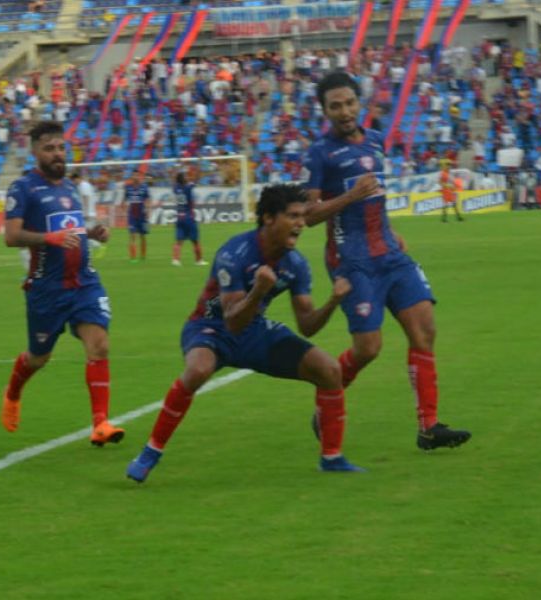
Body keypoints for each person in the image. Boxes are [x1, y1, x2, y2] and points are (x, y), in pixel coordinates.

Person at [126, 184, 363, 483]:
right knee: (198, 369)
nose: (302, 223)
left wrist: (333, 301)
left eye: (302, 216)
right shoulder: (234, 252)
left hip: (253, 331)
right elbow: (231, 321)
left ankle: (332, 458)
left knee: (329, 370)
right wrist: (259, 292)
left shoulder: (296, 264)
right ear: (268, 218)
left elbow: (307, 325)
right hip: (210, 327)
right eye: (293, 216)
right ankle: (150, 452)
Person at [303, 72, 471, 450]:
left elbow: (374, 198)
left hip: (389, 254)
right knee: (368, 349)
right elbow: (308, 215)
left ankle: (429, 427)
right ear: (325, 110)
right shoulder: (319, 154)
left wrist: (389, 229)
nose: (344, 112)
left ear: (359, 103)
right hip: (352, 261)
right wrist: (348, 198)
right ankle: (325, 399)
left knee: (425, 328)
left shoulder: (377, 141)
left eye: (349, 103)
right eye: (335, 106)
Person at [0, 121, 121, 447]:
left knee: (100, 344)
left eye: (60, 148)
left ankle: (101, 423)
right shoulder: (23, 189)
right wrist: (47, 238)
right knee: (39, 358)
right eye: (49, 148)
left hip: (83, 282)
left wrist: (92, 233)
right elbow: (11, 236)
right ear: (35, 151)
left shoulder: (69, 188)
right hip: (46, 288)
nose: (57, 154)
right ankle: (13, 392)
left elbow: (73, 230)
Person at [171, 170, 208, 267]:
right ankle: (199, 260)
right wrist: (199, 166)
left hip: (179, 217)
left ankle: (175, 260)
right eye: (185, 177)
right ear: (183, 179)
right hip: (189, 217)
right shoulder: (187, 188)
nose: (187, 178)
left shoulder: (175, 188)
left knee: (179, 241)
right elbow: (197, 179)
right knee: (195, 241)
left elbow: (174, 180)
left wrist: (175, 172)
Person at [124, 171, 151, 263]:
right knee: (132, 235)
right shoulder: (128, 188)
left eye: (137, 175)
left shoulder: (144, 187)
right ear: (132, 176)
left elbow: (147, 199)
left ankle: (143, 256)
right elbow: (124, 199)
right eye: (134, 175)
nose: (135, 177)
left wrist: (148, 210)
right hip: (132, 214)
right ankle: (133, 257)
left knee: (143, 236)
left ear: (139, 176)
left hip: (142, 214)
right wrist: (123, 206)